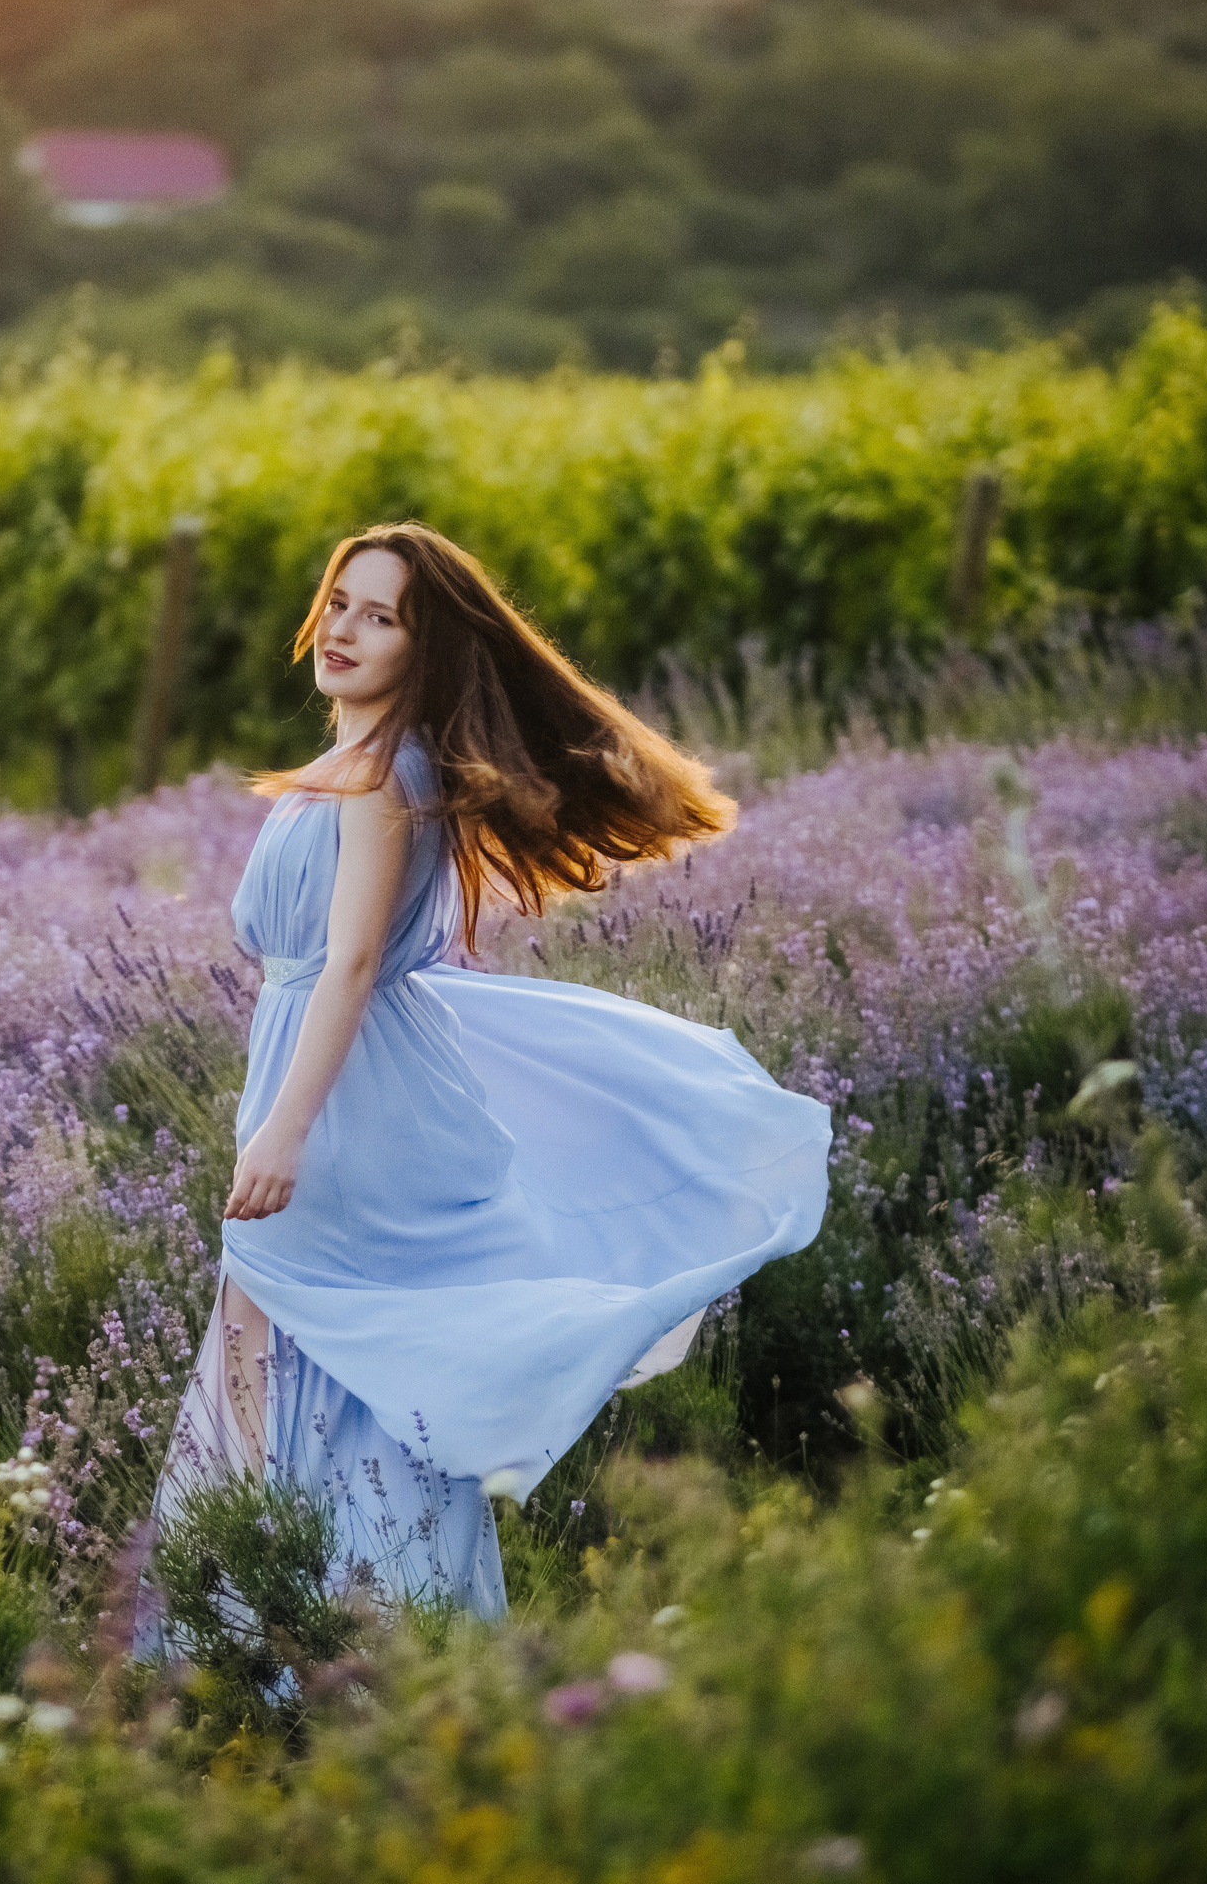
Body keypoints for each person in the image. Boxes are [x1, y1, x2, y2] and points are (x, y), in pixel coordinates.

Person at [143, 521, 831, 1627]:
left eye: (383, 617)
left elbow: (356, 963)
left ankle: (308, 1646)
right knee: (311, 1363)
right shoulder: (341, 767)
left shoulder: (379, 776)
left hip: (341, 1105)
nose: (347, 631)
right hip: (340, 1083)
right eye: (340, 604)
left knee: (292, 1355)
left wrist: (283, 1129)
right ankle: (337, 1639)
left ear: (426, 650)